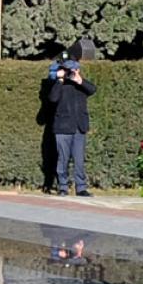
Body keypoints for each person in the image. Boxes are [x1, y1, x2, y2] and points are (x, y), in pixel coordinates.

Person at [47, 50, 96, 197]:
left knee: (79, 160)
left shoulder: (81, 84)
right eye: (70, 70)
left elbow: (92, 89)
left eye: (75, 69)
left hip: (79, 127)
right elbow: (53, 98)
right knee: (63, 159)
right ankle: (63, 186)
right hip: (63, 127)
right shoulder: (59, 84)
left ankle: (81, 188)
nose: (72, 72)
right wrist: (60, 80)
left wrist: (80, 80)